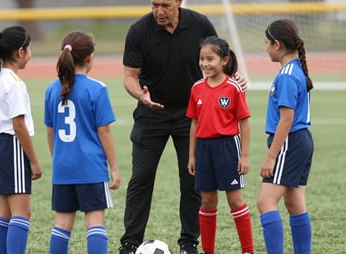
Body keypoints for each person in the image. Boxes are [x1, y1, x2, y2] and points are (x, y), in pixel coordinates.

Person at [118, 1, 247, 253]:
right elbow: (129, 76)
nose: (159, 11)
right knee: (141, 178)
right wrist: (141, 96)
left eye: (165, 5)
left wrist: (235, 77)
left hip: (193, 115)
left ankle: (189, 242)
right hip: (150, 113)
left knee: (192, 180)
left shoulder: (200, 24)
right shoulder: (138, 31)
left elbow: (222, 59)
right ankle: (130, 243)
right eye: (155, 4)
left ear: (178, 1)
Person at [44, 31, 121, 254]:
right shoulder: (97, 88)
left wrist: (58, 158)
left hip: (63, 167)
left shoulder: (51, 88)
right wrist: (114, 168)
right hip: (91, 167)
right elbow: (104, 131)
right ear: (90, 57)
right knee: (95, 222)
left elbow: (50, 132)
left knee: (62, 225)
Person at [186, 36, 254, 254]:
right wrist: (192, 155)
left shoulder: (234, 87)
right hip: (204, 149)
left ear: (224, 60)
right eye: (201, 59)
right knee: (207, 201)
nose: (204, 64)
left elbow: (244, 122)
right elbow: (194, 122)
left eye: (210, 59)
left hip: (227, 147)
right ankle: (208, 251)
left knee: (235, 200)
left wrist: (244, 156)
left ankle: (248, 250)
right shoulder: (196, 88)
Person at [256, 19, 314, 254]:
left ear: (277, 44)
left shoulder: (288, 75)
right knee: (294, 201)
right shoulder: (296, 69)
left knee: (265, 202)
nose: (266, 48)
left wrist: (271, 157)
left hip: (290, 141)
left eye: (266, 43)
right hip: (301, 140)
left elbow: (286, 120)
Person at [0, 26, 43, 254]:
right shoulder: (14, 83)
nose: (31, 52)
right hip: (11, 147)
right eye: (30, 48)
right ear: (20, 52)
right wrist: (34, 161)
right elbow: (18, 125)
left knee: (5, 214)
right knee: (21, 214)